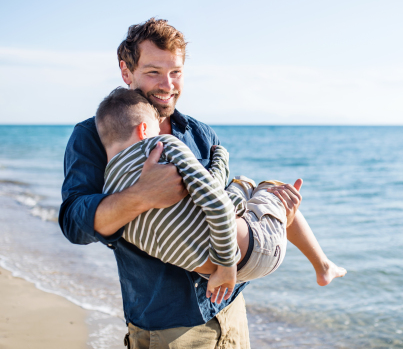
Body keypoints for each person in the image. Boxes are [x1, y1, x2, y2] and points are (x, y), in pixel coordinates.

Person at [60, 18, 253, 349]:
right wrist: (141, 196)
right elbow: (74, 224)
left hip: (229, 306)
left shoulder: (200, 133)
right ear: (126, 71)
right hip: (166, 324)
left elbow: (218, 204)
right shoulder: (93, 136)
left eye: (175, 72)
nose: (167, 85)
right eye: (153, 72)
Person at [95, 87, 346, 303]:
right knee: (262, 186)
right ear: (143, 130)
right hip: (249, 255)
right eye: (155, 127)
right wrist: (221, 160)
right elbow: (215, 197)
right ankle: (322, 266)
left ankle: (319, 263)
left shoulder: (107, 192)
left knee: (239, 195)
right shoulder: (160, 146)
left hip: (210, 277)